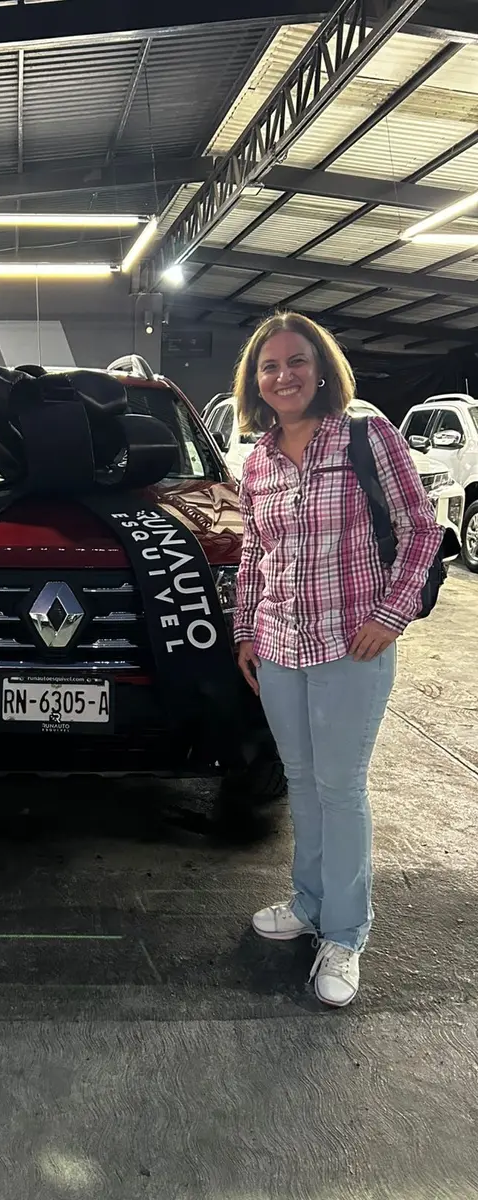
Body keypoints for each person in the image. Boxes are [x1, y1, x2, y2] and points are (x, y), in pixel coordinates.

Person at [233, 312, 442, 1007]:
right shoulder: (258, 460)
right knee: (301, 781)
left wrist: (392, 613)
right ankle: (309, 902)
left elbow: (422, 528)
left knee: (341, 788)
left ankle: (346, 933)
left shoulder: (365, 435)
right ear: (255, 382)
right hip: (279, 648)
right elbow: (253, 554)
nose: (283, 375)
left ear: (321, 369)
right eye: (269, 366)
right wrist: (245, 632)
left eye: (296, 361)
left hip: (350, 646)